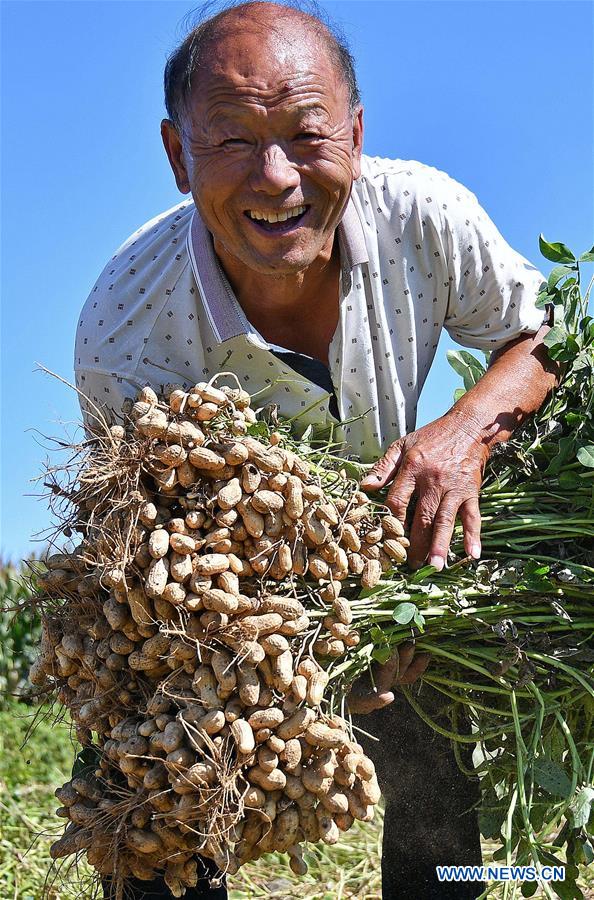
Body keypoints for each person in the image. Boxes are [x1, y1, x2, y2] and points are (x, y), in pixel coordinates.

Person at [75, 2, 558, 897]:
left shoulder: (423, 214)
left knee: (441, 818)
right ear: (179, 157)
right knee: (145, 795)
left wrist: (463, 435)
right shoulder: (127, 331)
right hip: (249, 609)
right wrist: (304, 660)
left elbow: (545, 337)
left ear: (357, 133)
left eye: (306, 134)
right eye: (230, 141)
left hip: (411, 565)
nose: (277, 178)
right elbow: (159, 566)